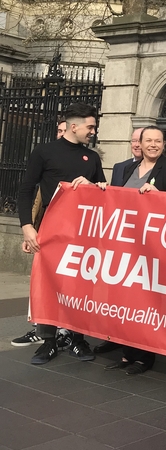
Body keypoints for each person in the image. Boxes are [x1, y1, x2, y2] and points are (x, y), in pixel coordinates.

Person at [17, 102, 106, 365]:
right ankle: (48, 341)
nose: (93, 130)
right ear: (74, 126)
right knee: (48, 283)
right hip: (51, 229)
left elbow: (103, 192)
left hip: (83, 232)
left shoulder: (93, 157)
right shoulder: (44, 152)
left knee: (80, 285)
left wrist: (94, 185)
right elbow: (25, 190)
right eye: (90, 126)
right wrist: (27, 227)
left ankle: (78, 339)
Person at [103, 126, 166, 375]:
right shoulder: (129, 168)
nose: (152, 145)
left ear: (163, 144)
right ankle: (128, 353)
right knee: (125, 300)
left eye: (157, 141)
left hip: (151, 247)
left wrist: (159, 195)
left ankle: (145, 356)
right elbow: (114, 198)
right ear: (139, 142)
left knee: (146, 303)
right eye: (148, 140)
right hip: (124, 245)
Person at [11, 117, 68, 348]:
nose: (61, 134)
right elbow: (35, 197)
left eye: (65, 130)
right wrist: (29, 228)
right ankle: (40, 327)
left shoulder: (84, 160)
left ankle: (64, 331)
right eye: (59, 130)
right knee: (41, 280)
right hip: (44, 231)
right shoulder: (46, 156)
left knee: (63, 282)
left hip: (68, 233)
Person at [93, 127, 146, 355]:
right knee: (116, 293)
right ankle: (112, 335)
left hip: (143, 241)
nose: (136, 144)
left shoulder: (164, 168)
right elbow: (113, 198)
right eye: (133, 140)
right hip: (120, 239)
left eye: (140, 140)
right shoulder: (120, 168)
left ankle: (137, 345)